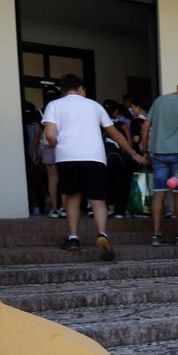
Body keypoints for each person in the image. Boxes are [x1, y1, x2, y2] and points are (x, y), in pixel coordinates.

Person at [41, 74, 144, 261]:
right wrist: (133, 153)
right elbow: (115, 134)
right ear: (81, 88)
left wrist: (58, 145)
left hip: (67, 157)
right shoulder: (94, 106)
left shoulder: (54, 106)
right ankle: (102, 234)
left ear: (63, 91)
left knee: (72, 197)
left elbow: (49, 135)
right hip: (94, 158)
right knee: (97, 199)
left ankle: (73, 238)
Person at [141, 76, 178, 246]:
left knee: (159, 193)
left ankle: (156, 235)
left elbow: (145, 127)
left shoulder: (159, 101)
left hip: (158, 154)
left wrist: (145, 150)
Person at [31, 85, 63, 218]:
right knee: (65, 177)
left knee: (52, 179)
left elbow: (37, 135)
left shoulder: (40, 112)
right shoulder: (62, 110)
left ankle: (54, 209)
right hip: (64, 146)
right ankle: (65, 208)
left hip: (48, 147)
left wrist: (34, 152)